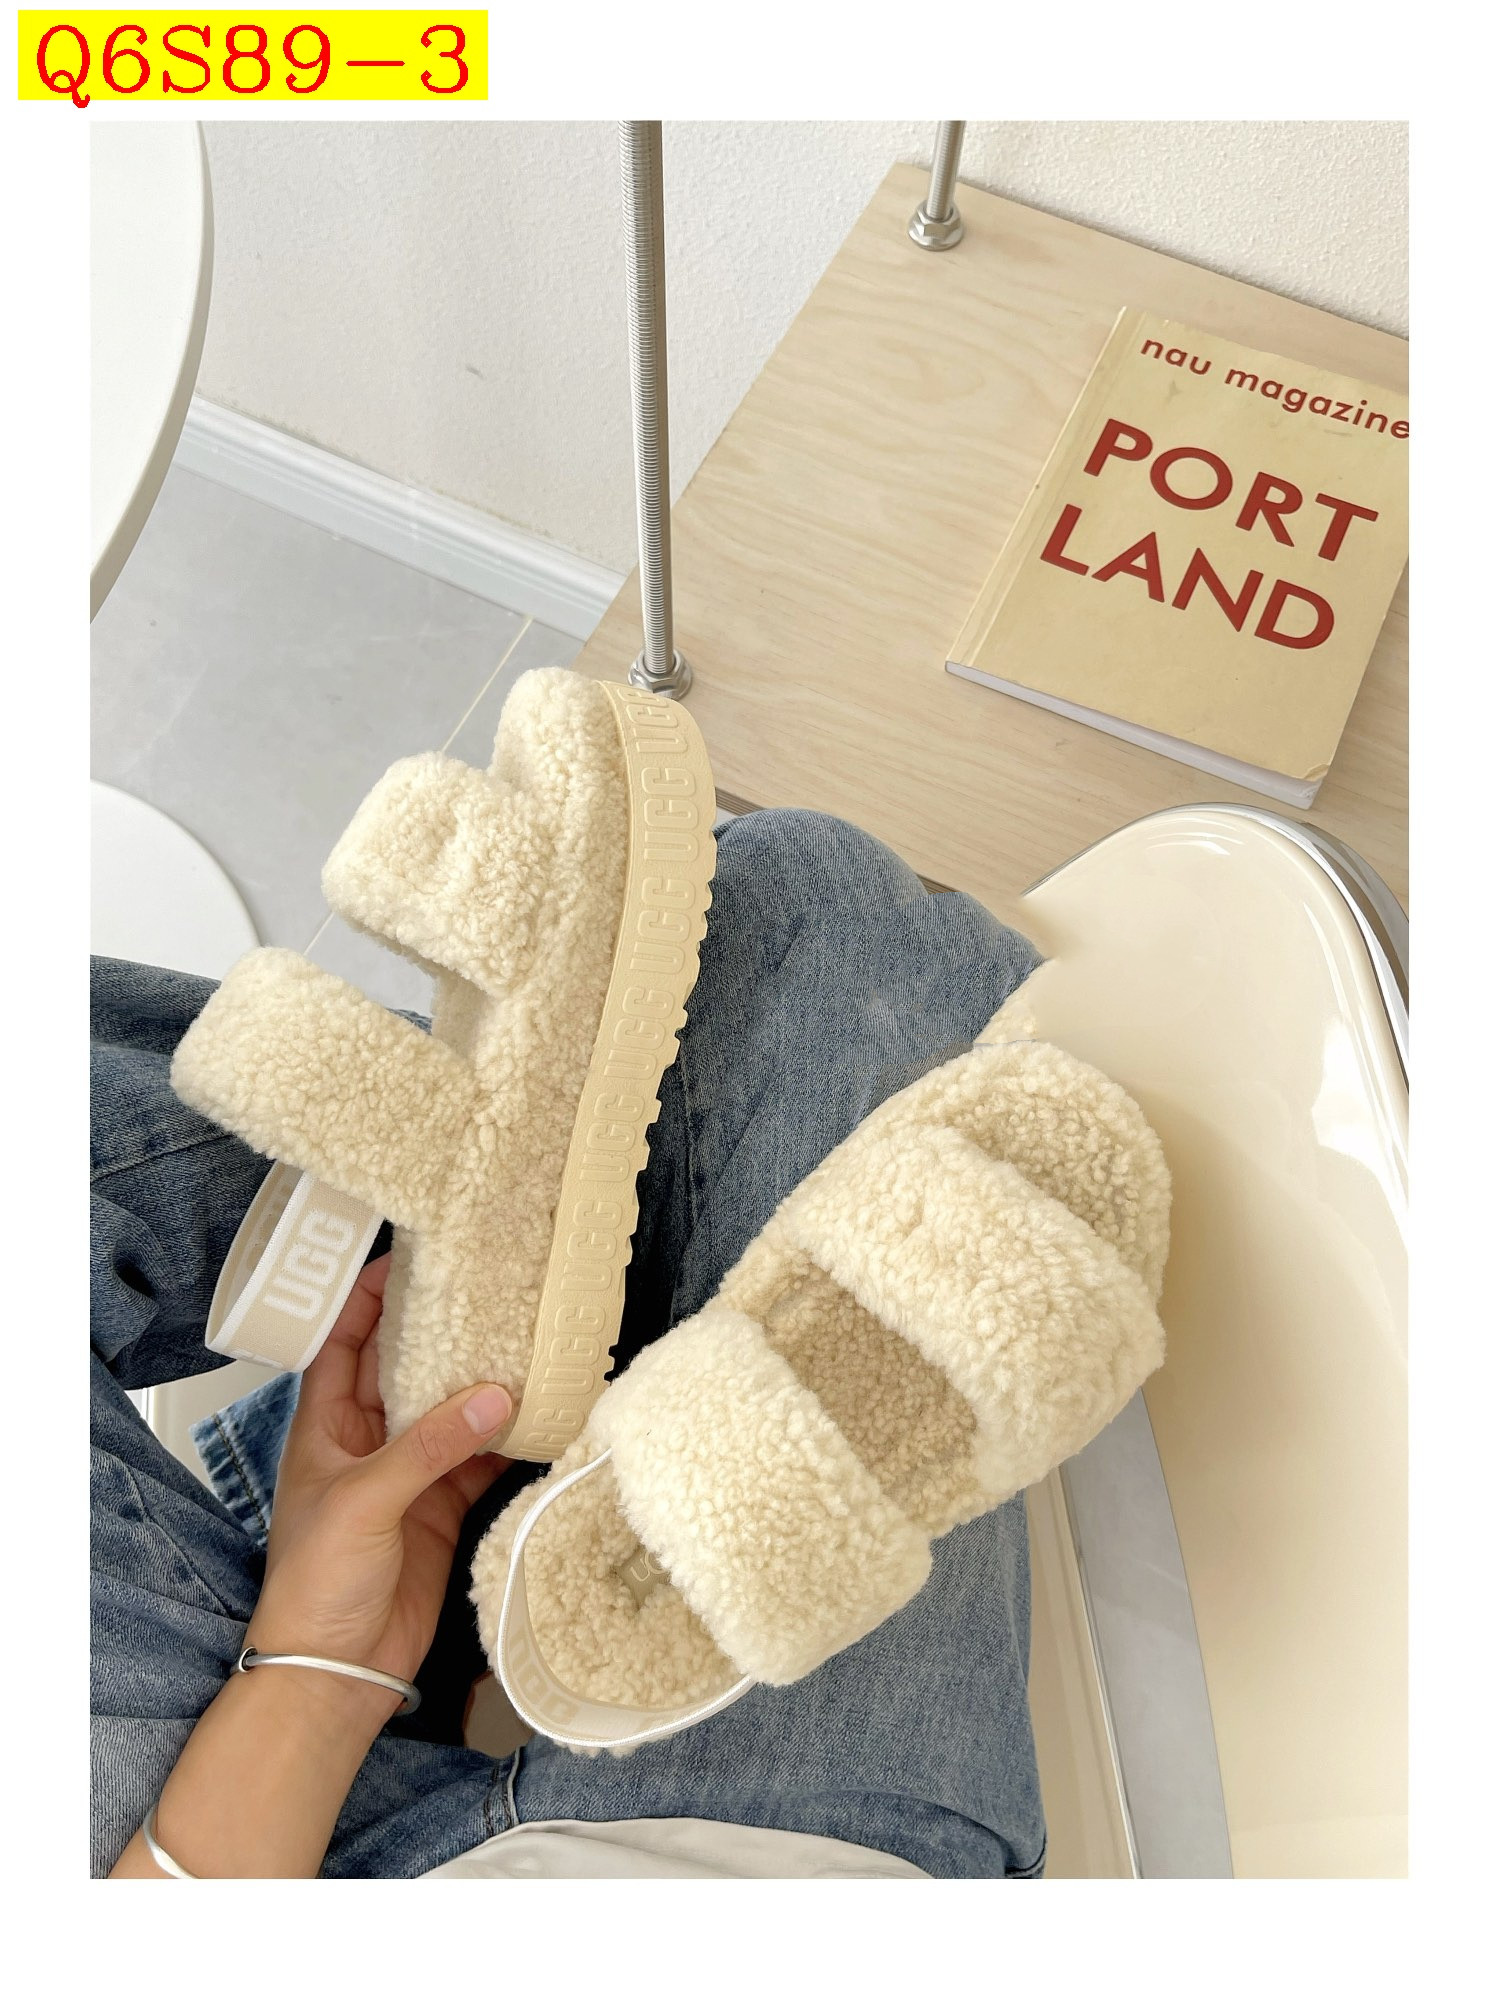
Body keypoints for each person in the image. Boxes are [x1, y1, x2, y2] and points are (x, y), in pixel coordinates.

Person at [92, 808, 1047, 1879]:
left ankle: (495, 1185)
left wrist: (318, 1664)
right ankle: (518, 1180)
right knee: (819, 911)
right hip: (701, 1871)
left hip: (218, 1789)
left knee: (745, 925)